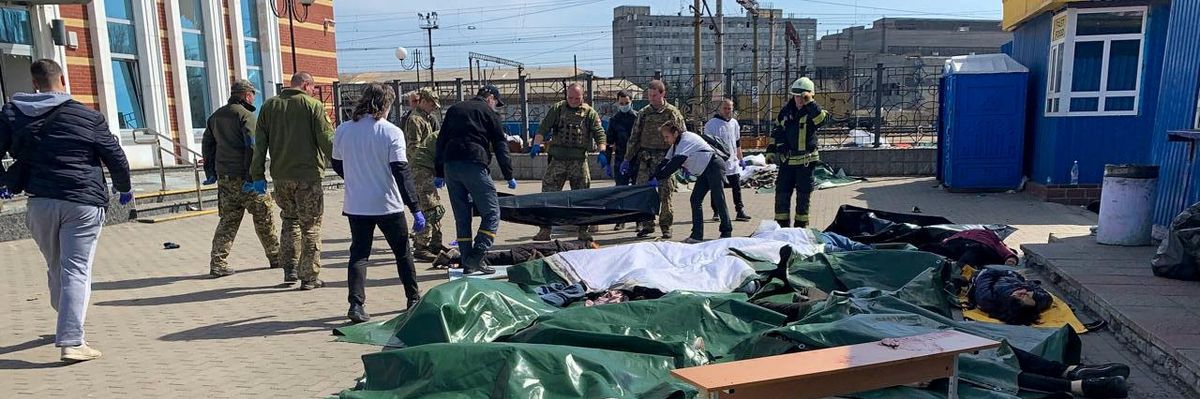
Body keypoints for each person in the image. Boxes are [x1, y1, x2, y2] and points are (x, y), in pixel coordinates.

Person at [0, 59, 132, 362]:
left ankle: (66, 320)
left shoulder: (12, 114)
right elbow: (114, 155)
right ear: (63, 79)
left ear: (35, 83)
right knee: (76, 269)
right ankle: (72, 339)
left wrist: (3, 181)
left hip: (40, 202)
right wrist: (124, 187)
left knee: (57, 264)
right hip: (82, 201)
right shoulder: (86, 116)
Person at [331, 83, 426, 323]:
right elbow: (401, 172)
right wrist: (415, 208)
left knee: (359, 254)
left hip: (356, 205)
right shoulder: (391, 132)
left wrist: (355, 178)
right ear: (386, 104)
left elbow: (337, 164)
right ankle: (413, 298)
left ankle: (356, 304)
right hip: (387, 204)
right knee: (402, 252)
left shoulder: (343, 130)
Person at [249, 72, 334, 290]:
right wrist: (346, 165)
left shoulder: (269, 106)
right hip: (308, 177)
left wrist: (257, 174)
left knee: (289, 221)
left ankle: (290, 270)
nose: (314, 92)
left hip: (280, 177)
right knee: (311, 226)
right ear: (306, 85)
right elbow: (328, 142)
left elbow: (260, 145)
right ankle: (310, 276)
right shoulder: (312, 105)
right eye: (313, 88)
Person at [201, 79, 281, 278]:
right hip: (246, 179)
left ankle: (217, 263)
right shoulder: (247, 116)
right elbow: (253, 147)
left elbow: (207, 146)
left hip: (225, 179)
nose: (254, 97)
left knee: (227, 221)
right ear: (247, 95)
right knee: (264, 217)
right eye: (253, 94)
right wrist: (253, 176)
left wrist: (210, 171)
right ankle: (275, 257)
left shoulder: (215, 116)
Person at [434, 85, 516, 276]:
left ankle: (466, 261)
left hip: (450, 166)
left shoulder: (454, 109)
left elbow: (441, 141)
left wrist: (439, 173)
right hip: (474, 164)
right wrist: (509, 175)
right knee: (492, 213)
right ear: (491, 98)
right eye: (496, 102)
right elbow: (500, 145)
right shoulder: (489, 113)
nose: (496, 106)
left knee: (462, 217)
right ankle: (477, 256)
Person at [530, 83, 606, 242]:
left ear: (582, 97)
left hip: (578, 161)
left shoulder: (589, 113)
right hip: (558, 159)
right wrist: (536, 144)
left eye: (577, 98)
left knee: (582, 197)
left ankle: (583, 231)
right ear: (566, 95)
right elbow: (543, 128)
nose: (573, 101)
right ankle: (545, 230)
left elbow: (599, 133)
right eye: (570, 97)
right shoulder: (558, 109)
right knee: (548, 195)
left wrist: (602, 150)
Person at [620, 80, 686, 239]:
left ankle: (666, 227)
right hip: (646, 159)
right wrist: (627, 159)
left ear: (663, 94)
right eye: (649, 95)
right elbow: (634, 137)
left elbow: (682, 136)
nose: (651, 98)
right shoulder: (643, 113)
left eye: (654, 95)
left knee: (666, 194)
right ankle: (647, 225)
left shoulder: (672, 113)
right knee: (644, 192)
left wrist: (682, 160)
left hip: (666, 159)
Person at [649, 121, 731, 243]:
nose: (665, 140)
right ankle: (697, 235)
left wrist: (659, 177)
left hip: (713, 166)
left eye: (667, 137)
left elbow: (674, 164)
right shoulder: (676, 145)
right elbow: (665, 162)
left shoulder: (686, 139)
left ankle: (726, 231)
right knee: (695, 199)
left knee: (718, 198)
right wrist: (653, 176)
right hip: (704, 170)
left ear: (675, 133)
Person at [768, 77, 828, 228]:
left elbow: (821, 120)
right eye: (796, 96)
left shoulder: (814, 112)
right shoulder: (785, 112)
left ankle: (800, 228)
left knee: (803, 196)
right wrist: (771, 152)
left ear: (810, 96)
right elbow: (776, 133)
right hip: (787, 161)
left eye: (802, 97)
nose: (799, 100)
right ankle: (781, 227)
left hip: (806, 162)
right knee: (782, 193)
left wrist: (810, 103)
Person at [403, 88, 446, 261]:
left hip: (428, 168)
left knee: (435, 206)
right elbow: (414, 147)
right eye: (431, 104)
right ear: (423, 101)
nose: (433, 108)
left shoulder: (426, 119)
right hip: (420, 169)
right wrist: (429, 162)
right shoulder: (415, 119)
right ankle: (421, 246)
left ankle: (435, 243)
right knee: (429, 207)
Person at [704, 98, 751, 222]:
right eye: (725, 108)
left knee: (737, 187)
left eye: (729, 108)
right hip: (718, 162)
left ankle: (739, 211)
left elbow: (737, 142)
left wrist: (741, 158)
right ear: (720, 108)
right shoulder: (711, 124)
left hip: (733, 161)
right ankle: (716, 211)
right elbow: (708, 144)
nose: (727, 111)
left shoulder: (734, 123)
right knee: (717, 187)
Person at [966, 265, 1053, 326]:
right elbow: (1046, 297)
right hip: (1014, 276)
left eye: (1021, 295)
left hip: (993, 274)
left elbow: (984, 275)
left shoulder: (988, 298)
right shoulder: (1034, 302)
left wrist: (1008, 273)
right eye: (1029, 295)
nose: (1025, 291)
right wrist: (1032, 291)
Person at [432, 239, 599, 269]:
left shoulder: (574, 247)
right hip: (525, 254)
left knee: (493, 258)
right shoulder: (574, 250)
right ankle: (454, 257)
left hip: (526, 251)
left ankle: (455, 258)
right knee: (491, 259)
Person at [606, 90, 637, 231]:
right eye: (621, 103)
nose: (624, 105)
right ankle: (620, 220)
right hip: (620, 158)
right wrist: (607, 161)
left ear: (631, 102)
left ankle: (639, 221)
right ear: (618, 103)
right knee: (620, 191)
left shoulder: (637, 118)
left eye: (627, 103)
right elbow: (609, 143)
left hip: (636, 159)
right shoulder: (614, 120)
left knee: (637, 191)